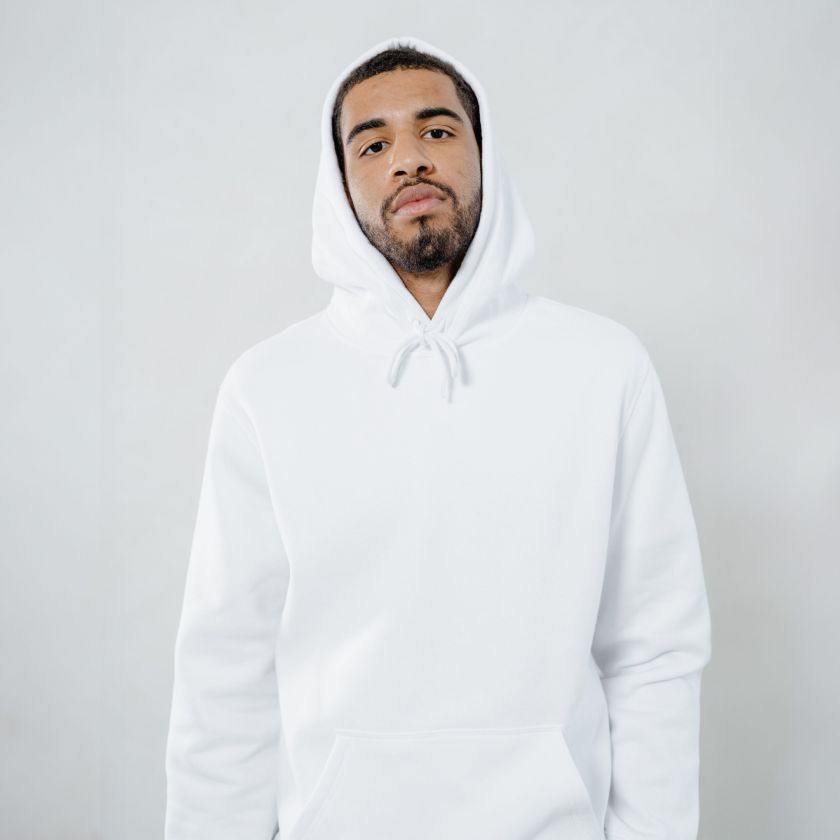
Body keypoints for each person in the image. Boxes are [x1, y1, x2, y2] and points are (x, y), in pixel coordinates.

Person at [164, 34, 713, 840]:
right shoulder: (269, 386)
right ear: (339, 184)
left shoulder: (602, 366)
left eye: (437, 130)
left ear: (484, 155)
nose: (409, 159)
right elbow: (225, 669)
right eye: (373, 144)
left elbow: (654, 647)